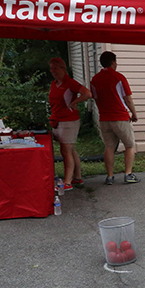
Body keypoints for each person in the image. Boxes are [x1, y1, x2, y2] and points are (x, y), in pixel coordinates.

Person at [90, 51, 140, 185]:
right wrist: (134, 114)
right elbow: (128, 99)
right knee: (129, 145)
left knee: (109, 147)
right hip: (119, 117)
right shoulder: (118, 77)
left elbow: (95, 98)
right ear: (113, 62)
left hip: (104, 118)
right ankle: (128, 174)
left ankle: (110, 176)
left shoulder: (94, 79)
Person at [48, 58, 91, 190]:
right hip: (57, 119)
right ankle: (77, 177)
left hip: (69, 120)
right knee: (70, 149)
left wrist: (74, 102)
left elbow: (87, 93)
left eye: (55, 68)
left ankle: (67, 183)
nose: (53, 71)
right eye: (51, 69)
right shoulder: (54, 84)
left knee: (65, 151)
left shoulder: (70, 83)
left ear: (63, 68)